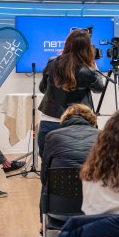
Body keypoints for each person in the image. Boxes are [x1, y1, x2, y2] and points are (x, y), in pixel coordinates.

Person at [37, 29, 106, 157]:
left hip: (49, 120)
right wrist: (94, 69)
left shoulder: (53, 63)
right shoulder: (88, 70)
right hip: (79, 123)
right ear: (87, 48)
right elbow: (99, 88)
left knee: (49, 165)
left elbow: (42, 89)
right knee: (79, 165)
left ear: (67, 43)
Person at [41, 104, 99, 186]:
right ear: (92, 118)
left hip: (61, 194)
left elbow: (44, 176)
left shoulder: (52, 136)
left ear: (64, 118)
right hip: (93, 192)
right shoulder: (103, 135)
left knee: (46, 186)